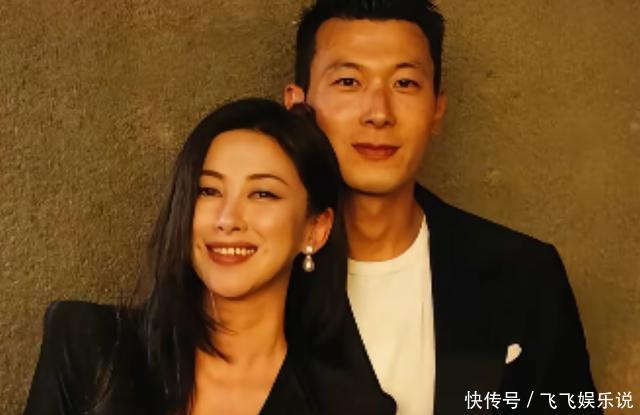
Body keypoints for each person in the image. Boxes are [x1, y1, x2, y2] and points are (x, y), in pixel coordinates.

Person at [284, 1, 601, 414]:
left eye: (405, 83)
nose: (378, 113)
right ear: (297, 105)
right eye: (348, 81)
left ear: (437, 109)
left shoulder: (525, 274)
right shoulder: (260, 271)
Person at [23, 99, 396, 415]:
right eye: (209, 190)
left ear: (315, 229)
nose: (227, 219)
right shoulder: (88, 348)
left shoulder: (347, 405)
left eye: (263, 194)